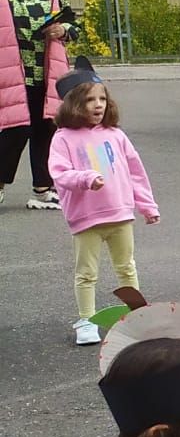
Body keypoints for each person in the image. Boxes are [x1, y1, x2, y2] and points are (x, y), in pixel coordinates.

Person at [51, 67, 158, 345]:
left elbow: (136, 172)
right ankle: (86, 319)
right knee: (86, 272)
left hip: (120, 214)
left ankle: (136, 316)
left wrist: (146, 205)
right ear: (73, 104)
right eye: (89, 100)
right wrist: (86, 178)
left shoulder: (116, 135)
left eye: (102, 99)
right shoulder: (63, 138)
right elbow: (59, 173)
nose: (98, 105)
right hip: (86, 218)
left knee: (126, 267)